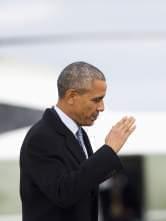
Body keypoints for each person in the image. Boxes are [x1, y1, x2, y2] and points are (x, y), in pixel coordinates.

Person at [19, 61, 136, 221]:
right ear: (72, 96)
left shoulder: (78, 134)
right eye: (96, 100)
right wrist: (108, 151)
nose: (101, 107)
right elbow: (64, 193)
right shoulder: (41, 137)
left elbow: (82, 185)